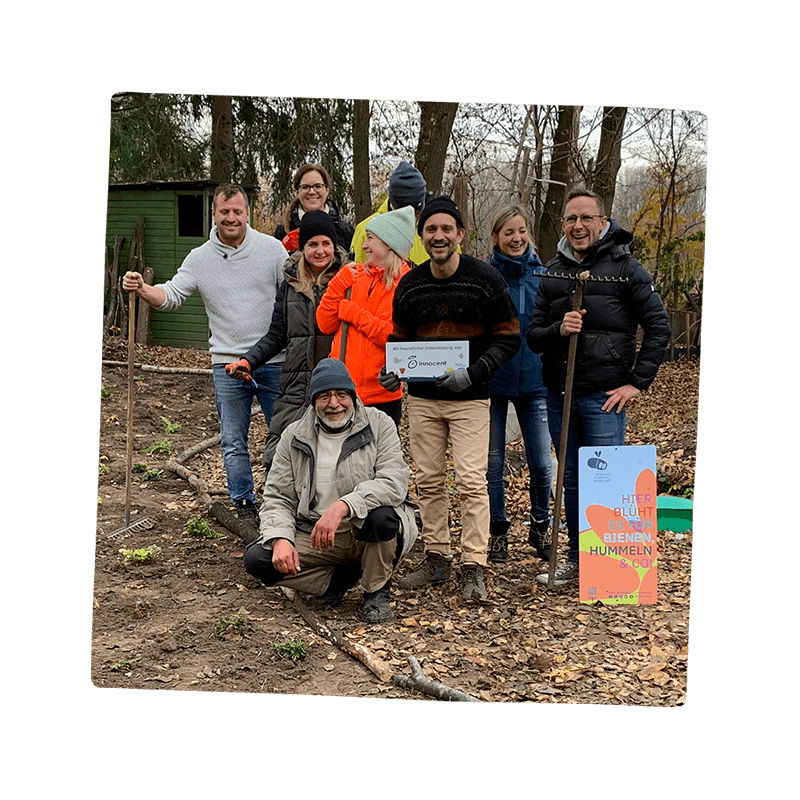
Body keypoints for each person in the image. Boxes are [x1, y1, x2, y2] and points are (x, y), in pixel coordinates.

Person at [527, 187, 671, 586]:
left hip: (605, 397)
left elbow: (659, 327)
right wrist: (560, 328)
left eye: (586, 218)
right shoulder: (553, 271)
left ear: (603, 221)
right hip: (559, 395)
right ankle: (577, 560)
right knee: (570, 479)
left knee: (606, 481)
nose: (578, 226)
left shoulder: (626, 268)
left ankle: (611, 571)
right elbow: (534, 336)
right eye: (571, 219)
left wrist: (636, 384)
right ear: (563, 225)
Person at [381, 196, 521, 600]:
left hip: (471, 399)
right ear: (421, 237)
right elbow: (400, 342)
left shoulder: (485, 280)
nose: (438, 236)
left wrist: (474, 373)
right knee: (427, 479)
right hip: (423, 400)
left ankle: (474, 563)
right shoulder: (410, 284)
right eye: (430, 229)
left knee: (472, 481)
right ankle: (437, 557)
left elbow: (509, 338)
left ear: (460, 234)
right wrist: (393, 373)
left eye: (446, 229)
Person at [122, 184, 287, 526]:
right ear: (214, 214)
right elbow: (169, 296)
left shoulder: (272, 251)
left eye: (237, 211)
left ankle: (282, 501)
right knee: (232, 440)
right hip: (226, 363)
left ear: (248, 213)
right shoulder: (200, 258)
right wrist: (142, 288)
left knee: (284, 436)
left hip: (273, 360)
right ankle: (244, 505)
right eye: (224, 212)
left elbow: (292, 296)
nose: (231, 218)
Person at [243, 358, 418, 623]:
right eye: (324, 396)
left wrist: (343, 506)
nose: (334, 403)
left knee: (382, 518)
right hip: (316, 534)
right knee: (259, 560)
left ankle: (376, 592)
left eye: (341, 394)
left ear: (353, 396)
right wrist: (280, 538)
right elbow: (277, 496)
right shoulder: (294, 435)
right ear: (313, 401)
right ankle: (335, 582)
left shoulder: (379, 423)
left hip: (363, 531)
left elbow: (394, 481)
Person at [226, 210, 349, 476]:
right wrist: (249, 360)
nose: (320, 251)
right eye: (312, 244)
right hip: (295, 386)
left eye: (325, 243)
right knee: (278, 458)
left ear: (334, 245)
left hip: (336, 387)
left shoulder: (350, 282)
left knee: (335, 461)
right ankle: (277, 516)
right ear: (302, 248)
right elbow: (277, 335)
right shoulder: (291, 284)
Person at [485, 205, 553, 563]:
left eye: (522, 231)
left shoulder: (544, 275)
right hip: (493, 381)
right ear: (496, 236)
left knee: (542, 463)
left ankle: (541, 525)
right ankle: (497, 531)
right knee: (493, 462)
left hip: (536, 382)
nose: (516, 238)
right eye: (508, 232)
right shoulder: (486, 276)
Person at [316, 205, 416, 428]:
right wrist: (337, 283)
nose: (364, 245)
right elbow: (325, 324)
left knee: (380, 460)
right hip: (343, 394)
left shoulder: (407, 286)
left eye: (370, 239)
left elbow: (396, 339)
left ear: (389, 244)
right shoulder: (354, 276)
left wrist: (354, 314)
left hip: (383, 396)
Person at [350, 162, 430, 267]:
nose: (411, 219)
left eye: (416, 213)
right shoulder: (364, 230)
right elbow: (358, 275)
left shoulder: (433, 229)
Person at [274, 163, 354, 253]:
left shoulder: (346, 231)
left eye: (318, 186)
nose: (312, 191)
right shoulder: (283, 232)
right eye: (305, 187)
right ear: (296, 191)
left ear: (327, 189)